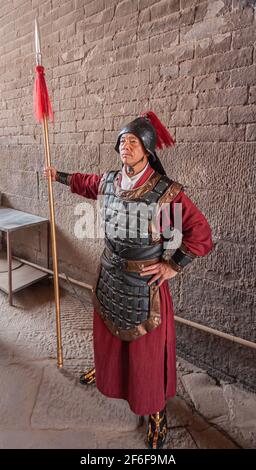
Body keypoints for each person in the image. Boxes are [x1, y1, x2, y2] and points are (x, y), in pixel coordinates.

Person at [44, 111, 213, 449]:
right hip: (109, 278)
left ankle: (156, 414)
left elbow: (201, 233)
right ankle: (107, 374)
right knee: (108, 339)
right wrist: (57, 175)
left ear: (148, 149)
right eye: (122, 141)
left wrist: (172, 265)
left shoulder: (166, 192)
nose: (126, 146)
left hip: (143, 288)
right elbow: (86, 183)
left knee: (146, 356)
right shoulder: (109, 181)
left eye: (133, 141)